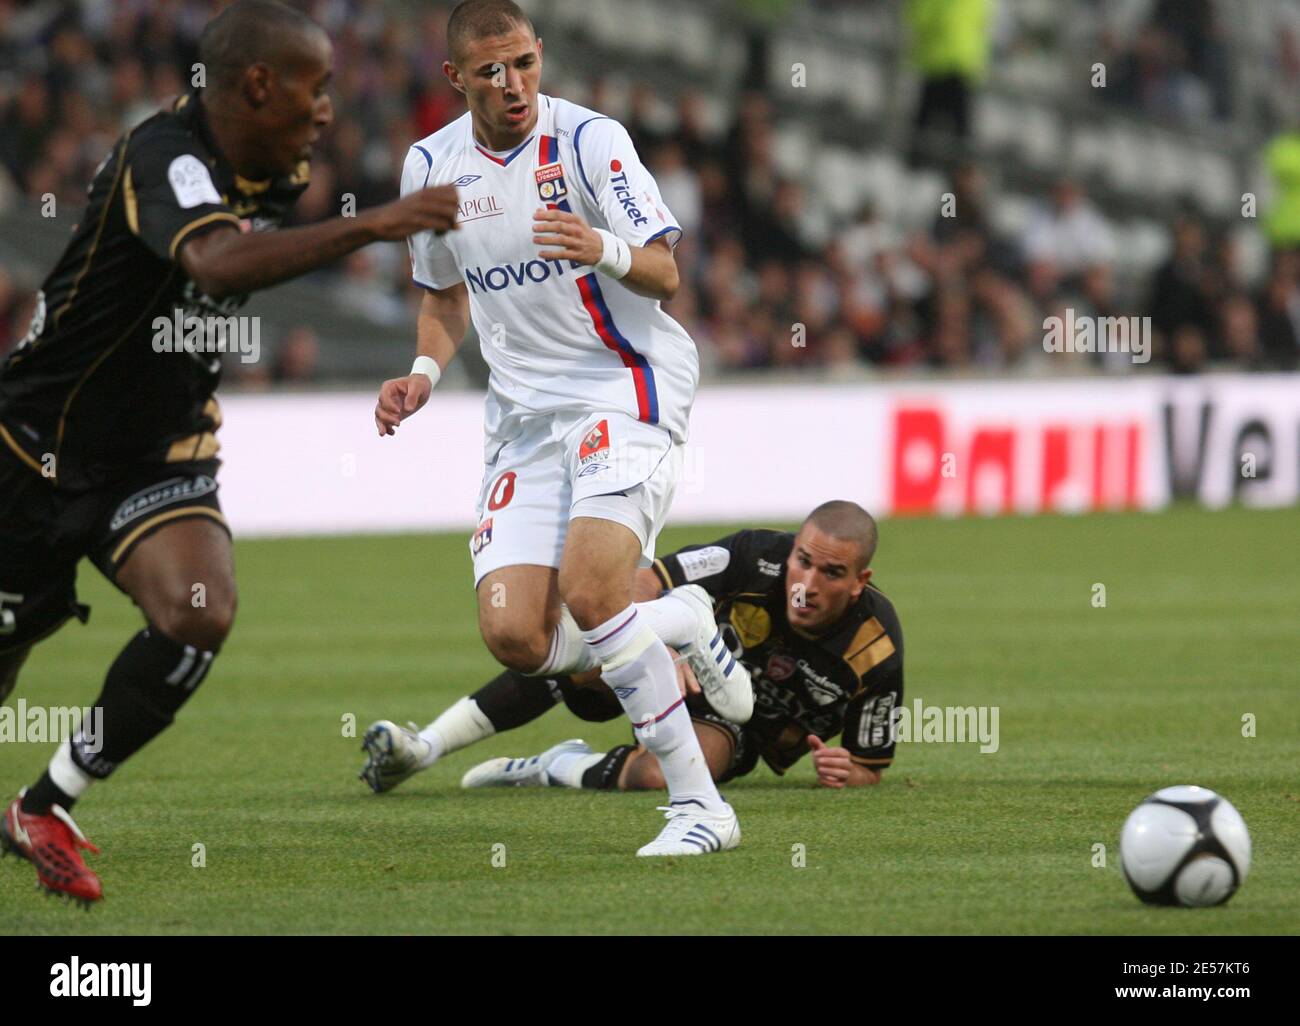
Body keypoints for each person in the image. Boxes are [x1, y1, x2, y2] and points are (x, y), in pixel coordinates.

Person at [0, 0, 460, 905]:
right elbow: (213, 265)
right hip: (34, 446)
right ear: (257, 84)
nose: (328, 108)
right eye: (315, 86)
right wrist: (377, 224)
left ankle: (45, 804)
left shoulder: (275, 166)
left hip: (160, 453)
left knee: (198, 610)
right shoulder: (159, 155)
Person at [368, 0, 751, 857]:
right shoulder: (430, 166)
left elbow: (667, 272)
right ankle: (682, 619)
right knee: (518, 637)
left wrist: (599, 247)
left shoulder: (589, 142)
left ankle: (701, 809)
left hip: (625, 386)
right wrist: (424, 374)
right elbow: (442, 294)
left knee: (592, 587)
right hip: (524, 416)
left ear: (541, 55)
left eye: (525, 65)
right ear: (456, 78)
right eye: (492, 71)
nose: (512, 85)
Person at [366, 502, 904, 799]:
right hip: (672, 663)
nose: (806, 583)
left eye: (831, 573)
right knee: (588, 643)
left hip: (733, 725)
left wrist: (847, 771)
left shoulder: (876, 649)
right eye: (803, 560)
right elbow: (646, 579)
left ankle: (556, 767)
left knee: (661, 776)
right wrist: (649, 644)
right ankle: (425, 747)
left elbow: (868, 765)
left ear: (861, 581)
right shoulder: (754, 554)